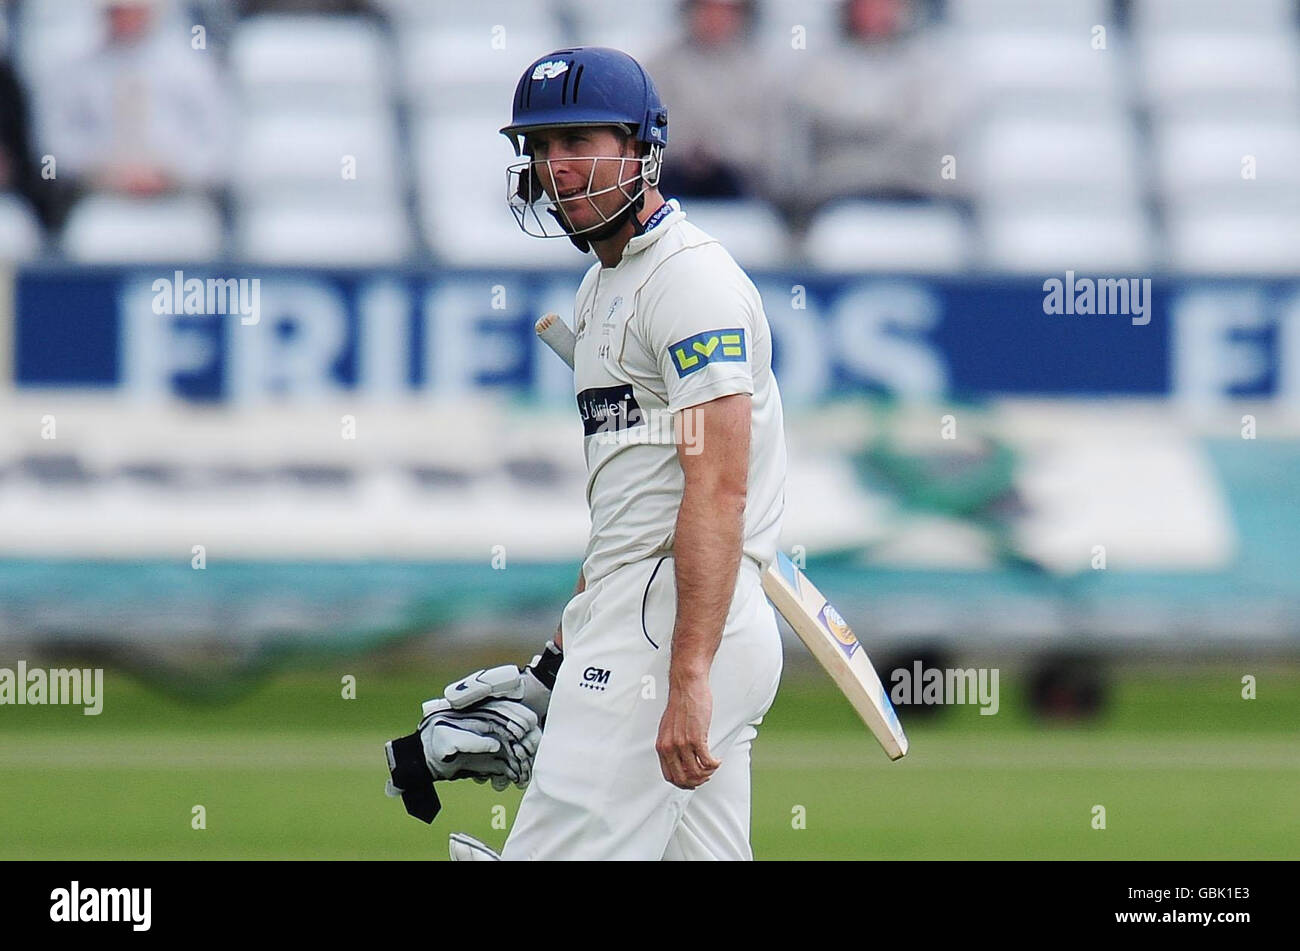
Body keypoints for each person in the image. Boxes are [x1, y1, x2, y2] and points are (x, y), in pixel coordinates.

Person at [385, 46, 788, 861]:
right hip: (650, 621)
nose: (556, 167)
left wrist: (685, 676)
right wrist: (552, 664)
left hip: (671, 633)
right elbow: (629, 514)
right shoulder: (600, 286)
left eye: (578, 142)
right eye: (541, 146)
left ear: (642, 147)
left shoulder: (692, 284)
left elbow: (717, 493)